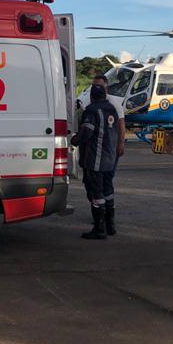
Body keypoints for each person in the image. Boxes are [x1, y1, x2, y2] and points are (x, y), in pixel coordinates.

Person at [71, 84, 120, 239]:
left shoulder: (91, 111)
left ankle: (99, 229)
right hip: (110, 158)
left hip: (96, 159)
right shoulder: (112, 109)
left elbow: (86, 132)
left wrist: (74, 140)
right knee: (108, 190)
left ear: (91, 96)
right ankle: (110, 225)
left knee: (96, 193)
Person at [92, 74, 126, 158]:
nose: (96, 89)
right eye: (94, 86)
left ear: (106, 88)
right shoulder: (91, 102)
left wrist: (121, 144)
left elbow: (121, 125)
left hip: (110, 146)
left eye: (99, 86)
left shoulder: (114, 104)